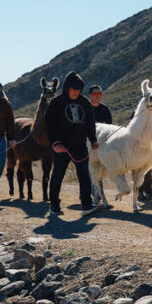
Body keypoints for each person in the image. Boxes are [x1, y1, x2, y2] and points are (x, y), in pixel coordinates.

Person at [45, 72, 102, 217]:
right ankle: (54, 205)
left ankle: (86, 205)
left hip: (80, 145)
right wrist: (55, 143)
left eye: (79, 90)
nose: (76, 92)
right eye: (74, 89)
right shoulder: (56, 103)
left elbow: (90, 123)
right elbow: (49, 125)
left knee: (84, 175)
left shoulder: (84, 102)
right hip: (61, 147)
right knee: (58, 174)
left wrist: (93, 140)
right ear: (67, 87)